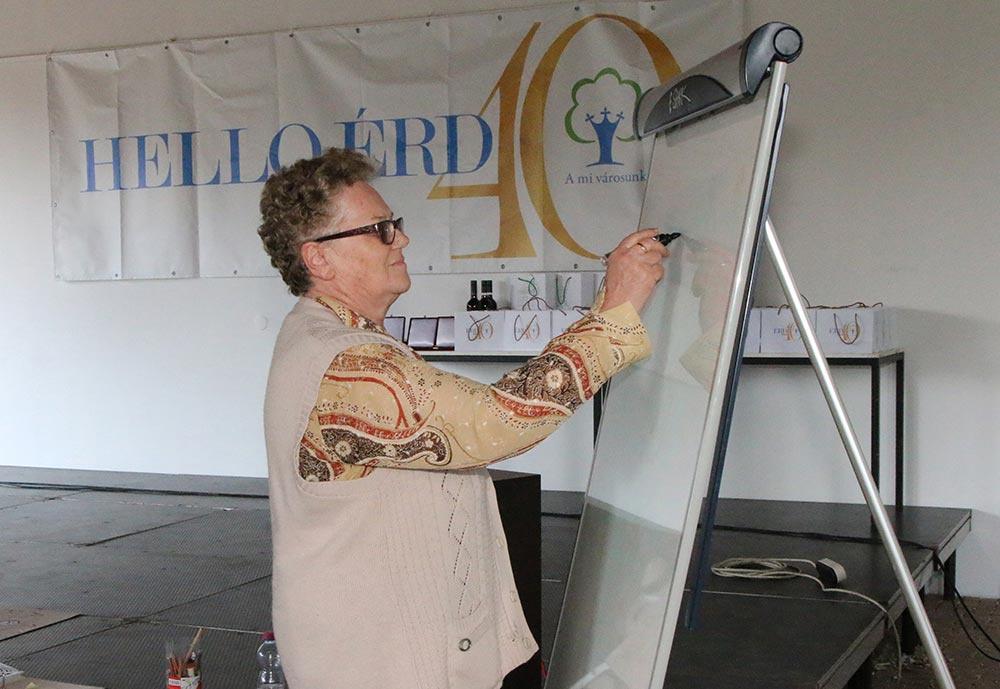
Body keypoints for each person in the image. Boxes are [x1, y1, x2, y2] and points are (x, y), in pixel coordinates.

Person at [258, 147, 670, 689]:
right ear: (319, 259)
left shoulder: (336, 338)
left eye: (394, 225)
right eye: (380, 230)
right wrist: (615, 314)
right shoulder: (347, 364)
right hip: (379, 665)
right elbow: (495, 421)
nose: (401, 240)